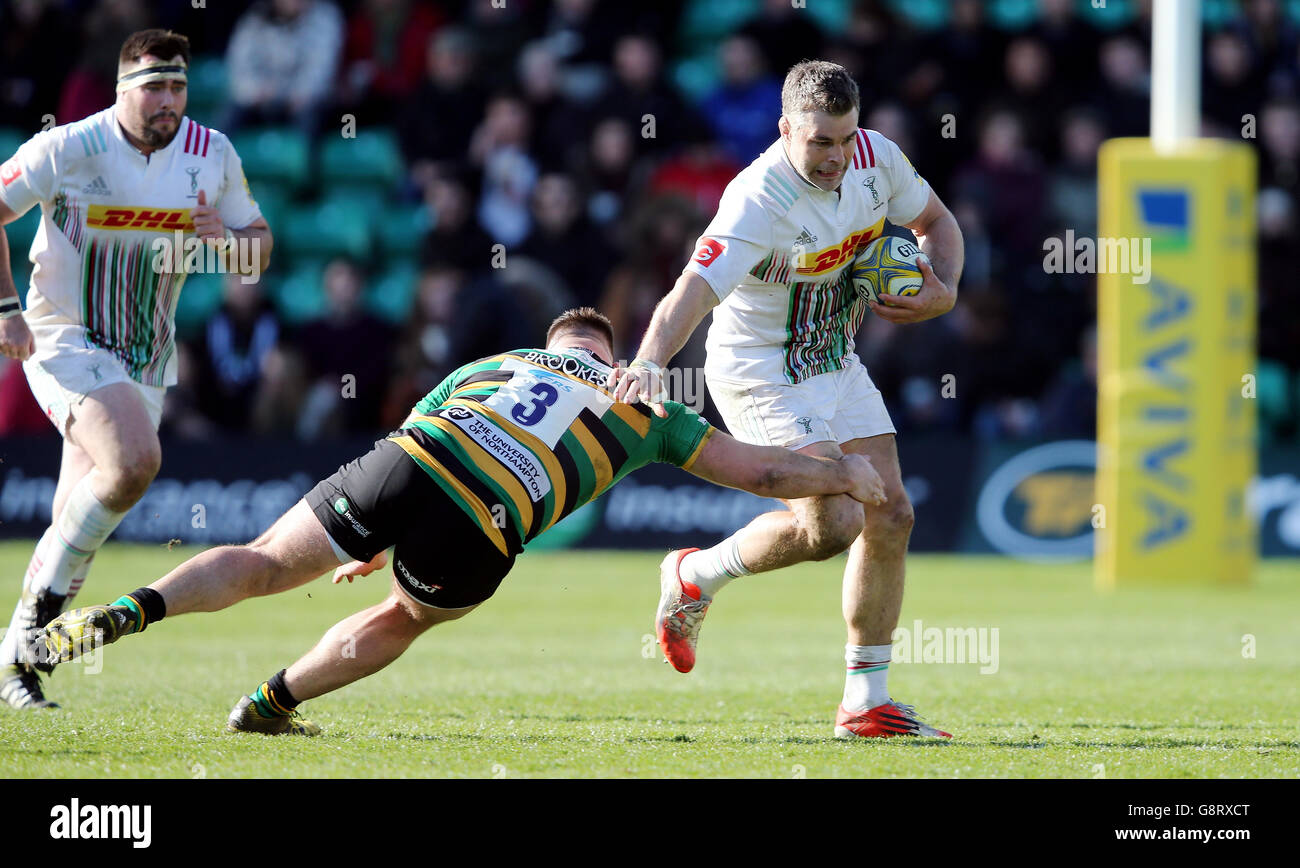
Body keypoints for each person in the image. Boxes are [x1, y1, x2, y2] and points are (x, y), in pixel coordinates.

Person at [40, 308, 887, 736]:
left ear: (555, 344)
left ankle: (127, 611)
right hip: (483, 526)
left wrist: (374, 537)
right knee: (404, 618)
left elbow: (416, 430)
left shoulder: (500, 361)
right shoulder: (646, 404)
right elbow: (763, 471)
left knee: (263, 559)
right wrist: (845, 471)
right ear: (614, 356)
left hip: (411, 462)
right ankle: (269, 703)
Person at [608, 60, 965, 739]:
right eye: (819, 141)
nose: (835, 157)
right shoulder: (757, 199)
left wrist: (942, 288)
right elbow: (691, 290)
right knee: (834, 522)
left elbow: (938, 222)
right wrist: (650, 363)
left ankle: (865, 702)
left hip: (834, 359)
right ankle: (695, 573)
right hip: (758, 370)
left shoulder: (875, 159)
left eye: (844, 138)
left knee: (891, 513)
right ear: (785, 130)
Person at [0, 28, 272, 708]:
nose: (168, 100)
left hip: (145, 358)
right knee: (134, 462)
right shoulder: (68, 147)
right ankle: (33, 639)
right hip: (63, 335)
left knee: (77, 517)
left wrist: (230, 246)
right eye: (153, 86)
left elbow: (259, 252)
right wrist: (6, 308)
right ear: (122, 90)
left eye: (178, 86)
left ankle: (13, 661)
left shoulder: (212, 154)